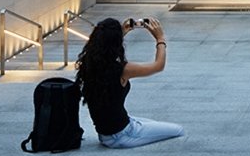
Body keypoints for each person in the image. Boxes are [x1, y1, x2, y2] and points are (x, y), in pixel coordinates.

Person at [76, 17, 185, 148]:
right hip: (122, 135)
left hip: (106, 134)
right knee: (178, 130)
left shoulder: (89, 64)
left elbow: (106, 42)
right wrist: (160, 39)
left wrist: (122, 31)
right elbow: (158, 66)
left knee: (151, 123)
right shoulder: (122, 70)